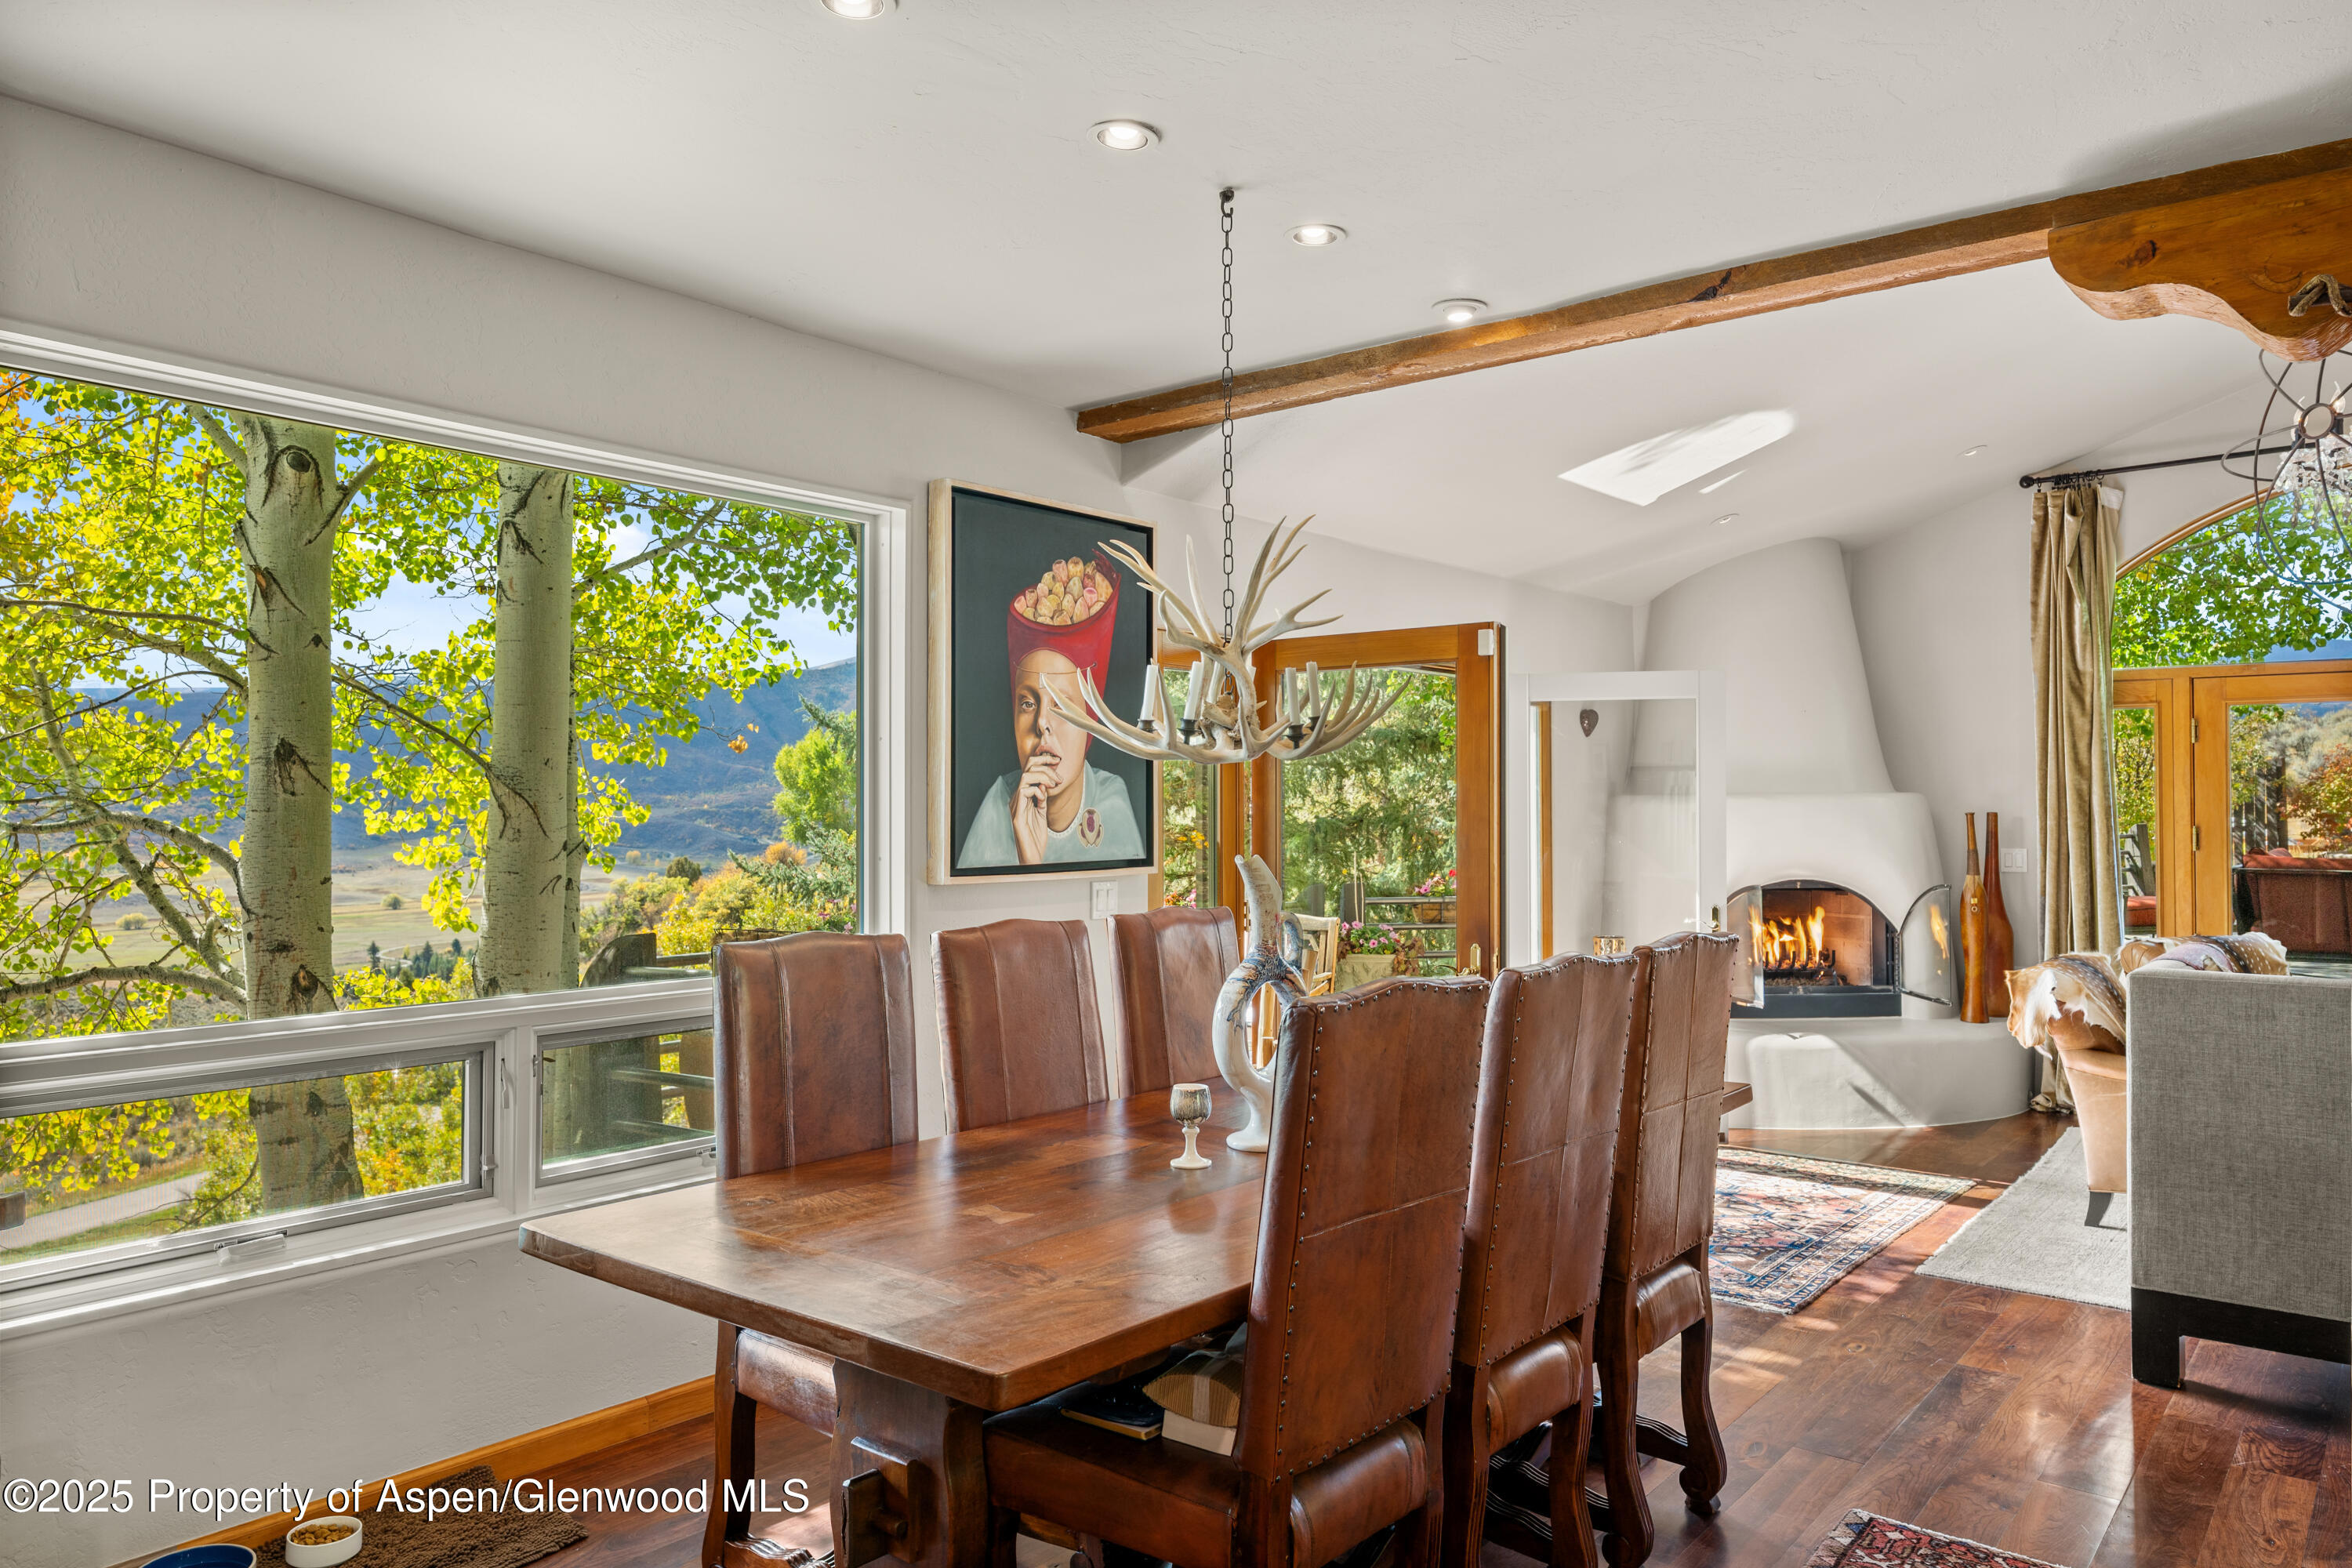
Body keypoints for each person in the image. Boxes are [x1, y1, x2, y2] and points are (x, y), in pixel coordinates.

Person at [957, 554, 1144, 868]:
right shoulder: (997, 804)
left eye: (1064, 705)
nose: (1042, 722)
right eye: (1028, 704)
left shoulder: (1112, 800)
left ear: (1091, 718)